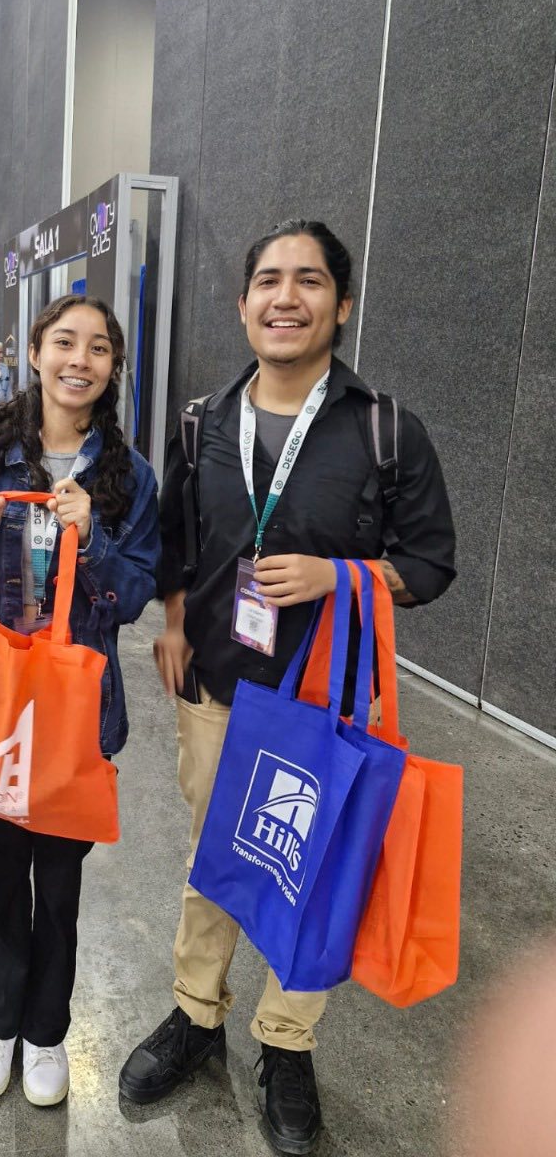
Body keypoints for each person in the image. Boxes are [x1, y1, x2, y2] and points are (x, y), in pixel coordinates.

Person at [118, 220, 456, 1154]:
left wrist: (341, 576)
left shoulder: (385, 429)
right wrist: (175, 623)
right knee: (214, 858)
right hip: (219, 685)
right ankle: (196, 1013)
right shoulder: (202, 420)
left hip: (327, 701)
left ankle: (287, 1041)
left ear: (341, 306)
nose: (286, 297)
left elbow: (429, 564)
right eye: (268, 280)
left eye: (309, 281)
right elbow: (177, 544)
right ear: (243, 305)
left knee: (310, 871)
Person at [0, 294, 159, 1108]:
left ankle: (47, 1032)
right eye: (64, 342)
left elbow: (135, 594)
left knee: (58, 884)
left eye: (98, 348)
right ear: (33, 352)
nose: (78, 360)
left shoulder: (128, 477)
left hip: (73, 715)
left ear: (112, 367)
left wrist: (92, 540)